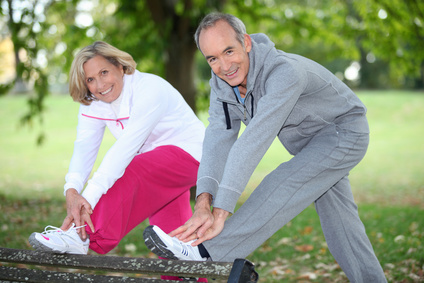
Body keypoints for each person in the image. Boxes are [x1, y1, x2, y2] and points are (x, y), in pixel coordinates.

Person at [143, 13, 387, 282]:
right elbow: (217, 140)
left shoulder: (284, 73)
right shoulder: (221, 85)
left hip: (343, 132)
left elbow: (253, 142)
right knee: (342, 228)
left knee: (283, 182)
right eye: (212, 58)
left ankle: (205, 253)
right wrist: (204, 201)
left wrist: (222, 209)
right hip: (309, 146)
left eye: (228, 51)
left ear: (246, 43)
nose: (224, 66)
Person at [29, 41, 207, 280]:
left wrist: (86, 202)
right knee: (174, 245)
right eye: (90, 80)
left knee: (130, 169)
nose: (100, 85)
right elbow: (84, 148)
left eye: (104, 72)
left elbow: (125, 149)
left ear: (120, 67)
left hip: (191, 155)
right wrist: (71, 190)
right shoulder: (93, 103)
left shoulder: (149, 88)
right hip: (156, 168)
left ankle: (83, 236)